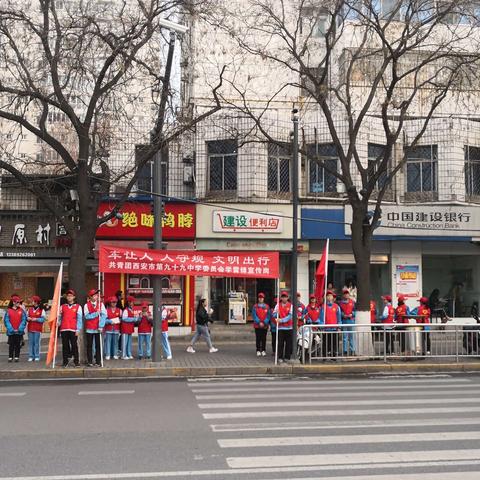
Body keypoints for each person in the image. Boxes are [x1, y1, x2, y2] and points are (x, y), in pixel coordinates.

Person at [58, 289, 82, 367]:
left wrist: (78, 329)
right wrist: (58, 321)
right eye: (68, 296)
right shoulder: (62, 306)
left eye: (71, 296)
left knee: (74, 345)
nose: (69, 297)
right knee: (65, 346)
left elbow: (79, 318)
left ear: (74, 297)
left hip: (73, 329)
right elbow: (59, 317)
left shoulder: (78, 306)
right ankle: (65, 361)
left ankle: (76, 361)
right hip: (64, 328)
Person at [84, 289, 106, 367]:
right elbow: (87, 316)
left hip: (98, 328)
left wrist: (101, 325)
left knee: (98, 345)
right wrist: (96, 313)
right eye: (95, 295)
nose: (96, 296)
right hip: (89, 328)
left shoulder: (101, 304)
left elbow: (104, 315)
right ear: (91, 296)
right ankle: (90, 361)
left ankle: (98, 361)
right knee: (89, 345)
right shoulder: (86, 305)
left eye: (97, 295)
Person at [3, 294, 27, 362]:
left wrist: (20, 328)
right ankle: (10, 357)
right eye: (17, 302)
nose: (19, 303)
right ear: (13, 302)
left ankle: (17, 357)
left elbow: (24, 320)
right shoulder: (8, 311)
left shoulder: (21, 311)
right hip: (11, 332)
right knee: (11, 345)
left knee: (17, 345)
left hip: (19, 331)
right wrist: (11, 329)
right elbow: (6, 321)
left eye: (19, 302)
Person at [273, 291, 293, 363]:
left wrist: (281, 320)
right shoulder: (278, 305)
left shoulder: (291, 305)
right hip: (281, 328)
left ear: (287, 298)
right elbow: (274, 315)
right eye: (283, 297)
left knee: (288, 343)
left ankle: (287, 357)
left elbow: (290, 316)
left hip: (289, 327)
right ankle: (280, 357)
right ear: (281, 298)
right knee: (280, 343)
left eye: (285, 297)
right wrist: (276, 314)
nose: (284, 298)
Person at [320, 290, 341, 358]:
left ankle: (334, 356)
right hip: (326, 329)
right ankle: (325, 356)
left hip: (334, 329)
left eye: (330, 296)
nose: (329, 297)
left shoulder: (337, 307)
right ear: (326, 297)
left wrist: (339, 327)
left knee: (334, 343)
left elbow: (339, 318)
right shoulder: (323, 307)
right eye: (328, 296)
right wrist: (322, 328)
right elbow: (321, 318)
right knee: (325, 343)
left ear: (333, 297)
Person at [27, 295, 46, 362]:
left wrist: (36, 319)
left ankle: (37, 356)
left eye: (33, 300)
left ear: (36, 302)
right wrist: (28, 318)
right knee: (30, 343)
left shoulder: (42, 310)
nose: (31, 302)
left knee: (36, 343)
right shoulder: (29, 309)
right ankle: (31, 356)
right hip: (30, 329)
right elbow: (26, 317)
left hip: (37, 329)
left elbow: (43, 319)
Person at [252, 292, 270, 356]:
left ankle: (263, 350)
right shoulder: (255, 306)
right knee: (258, 338)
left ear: (263, 298)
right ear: (258, 298)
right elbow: (254, 315)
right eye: (259, 297)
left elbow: (268, 316)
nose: (260, 299)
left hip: (265, 325)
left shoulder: (267, 307)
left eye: (262, 298)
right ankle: (258, 350)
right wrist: (259, 322)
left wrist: (264, 322)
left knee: (264, 338)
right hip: (257, 325)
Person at [339, 288, 356, 356]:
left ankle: (352, 350)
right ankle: (345, 350)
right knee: (345, 337)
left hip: (351, 320)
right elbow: (340, 312)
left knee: (351, 336)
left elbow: (354, 311)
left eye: (347, 294)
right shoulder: (341, 303)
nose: (346, 295)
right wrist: (343, 315)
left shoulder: (352, 302)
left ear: (349, 294)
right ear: (343, 295)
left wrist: (352, 314)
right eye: (345, 294)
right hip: (344, 321)